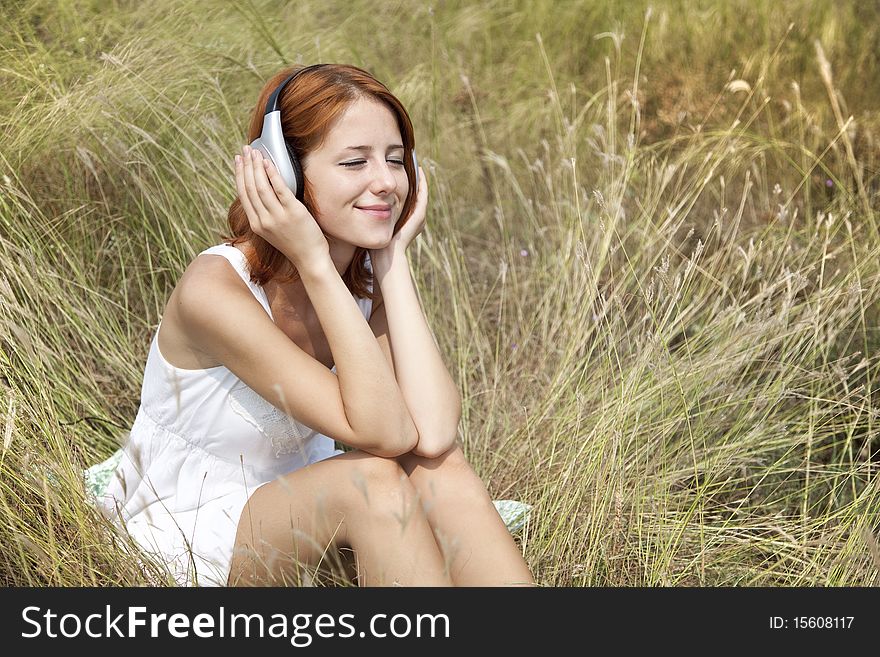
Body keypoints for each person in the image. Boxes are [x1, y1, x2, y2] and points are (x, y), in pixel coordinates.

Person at [99, 63, 535, 587]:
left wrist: (393, 259)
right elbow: (385, 434)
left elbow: (435, 433)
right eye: (355, 162)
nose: (385, 183)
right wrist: (313, 261)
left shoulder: (359, 282)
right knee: (372, 481)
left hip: (302, 508)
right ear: (282, 172)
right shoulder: (213, 290)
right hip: (187, 525)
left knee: (442, 469)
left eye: (397, 162)